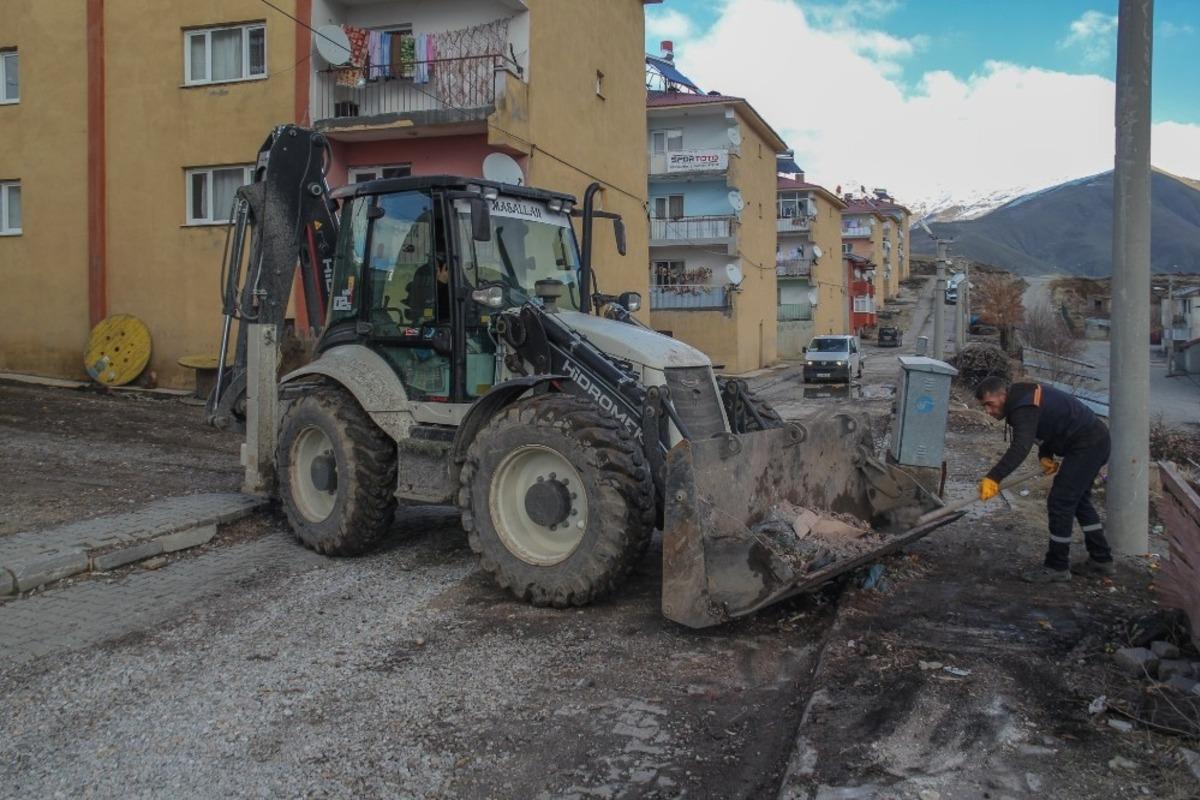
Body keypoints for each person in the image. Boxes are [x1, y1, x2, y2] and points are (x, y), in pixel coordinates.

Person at [974, 375, 1115, 583]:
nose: (988, 411)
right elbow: (1049, 424)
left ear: (1003, 394)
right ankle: (1101, 560)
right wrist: (1045, 455)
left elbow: (1021, 446)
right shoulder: (1024, 398)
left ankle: (1057, 566)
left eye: (990, 404)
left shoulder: (1023, 406)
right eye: (984, 406)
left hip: (1088, 444)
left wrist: (993, 478)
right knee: (1079, 502)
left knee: (1060, 502)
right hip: (1093, 440)